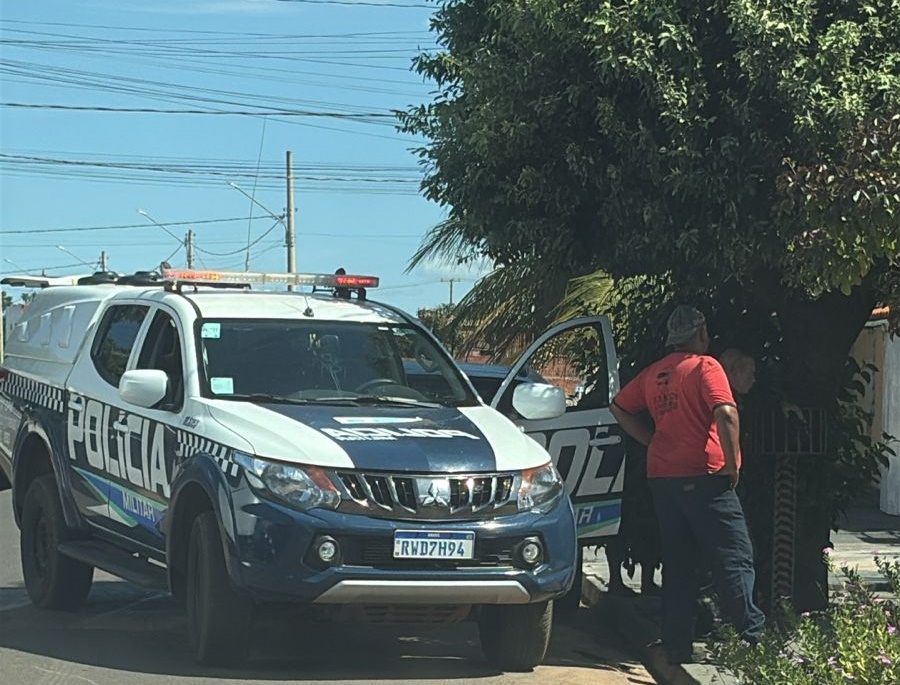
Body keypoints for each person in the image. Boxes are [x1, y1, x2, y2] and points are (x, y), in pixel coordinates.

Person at [610, 305, 765, 664]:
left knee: (679, 564)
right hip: (706, 476)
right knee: (734, 556)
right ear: (702, 333)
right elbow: (725, 412)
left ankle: (677, 645)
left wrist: (650, 440)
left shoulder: (654, 374)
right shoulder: (705, 366)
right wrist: (731, 461)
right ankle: (752, 637)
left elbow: (618, 407)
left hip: (663, 479)